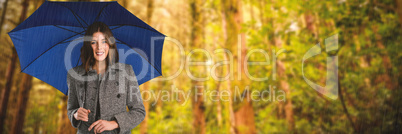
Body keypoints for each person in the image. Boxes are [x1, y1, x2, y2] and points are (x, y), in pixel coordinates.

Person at [66, 21, 145, 134]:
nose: (99, 47)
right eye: (94, 42)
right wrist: (75, 114)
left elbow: (139, 111)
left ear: (110, 44)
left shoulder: (125, 72)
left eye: (104, 41)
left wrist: (113, 123)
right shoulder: (74, 74)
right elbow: (71, 108)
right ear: (88, 45)